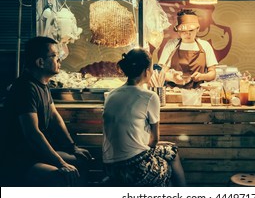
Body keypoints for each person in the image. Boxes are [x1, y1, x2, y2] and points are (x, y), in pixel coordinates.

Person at [0, 36, 92, 187]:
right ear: (40, 62)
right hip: (21, 159)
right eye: (55, 56)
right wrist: (61, 163)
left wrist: (72, 147)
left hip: (36, 153)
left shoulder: (43, 84)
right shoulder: (25, 88)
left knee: (81, 160)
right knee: (59, 177)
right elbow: (32, 133)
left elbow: (55, 117)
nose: (59, 61)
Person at [102, 48, 186, 187]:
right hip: (134, 168)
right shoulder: (150, 96)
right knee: (172, 153)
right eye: (152, 68)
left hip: (110, 168)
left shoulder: (111, 95)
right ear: (147, 70)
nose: (153, 72)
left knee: (166, 150)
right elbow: (154, 141)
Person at [158, 9, 218, 89]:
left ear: (197, 29)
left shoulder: (205, 45)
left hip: (197, 92)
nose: (188, 34)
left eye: (191, 30)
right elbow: (162, 73)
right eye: (184, 31)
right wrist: (173, 78)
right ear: (178, 31)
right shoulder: (171, 45)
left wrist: (202, 76)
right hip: (174, 91)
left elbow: (212, 73)